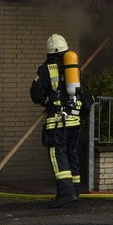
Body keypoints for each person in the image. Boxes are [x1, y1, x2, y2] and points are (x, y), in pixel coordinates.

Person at [29, 33, 84, 208]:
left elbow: (36, 95)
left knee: (57, 155)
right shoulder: (73, 69)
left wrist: (48, 100)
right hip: (75, 120)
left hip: (58, 122)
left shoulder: (46, 69)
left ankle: (66, 194)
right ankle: (75, 191)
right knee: (71, 154)